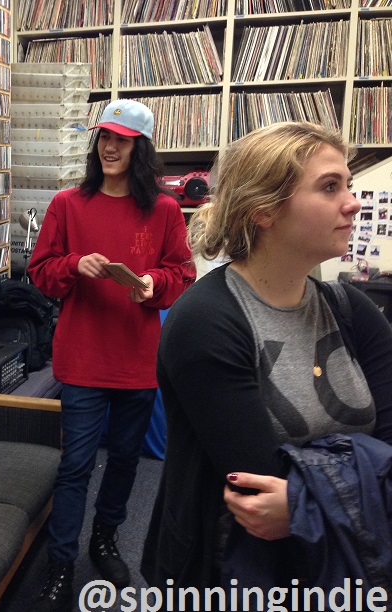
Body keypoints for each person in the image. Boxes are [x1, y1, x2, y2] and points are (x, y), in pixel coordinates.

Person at [142, 122, 392, 593]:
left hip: (349, 568)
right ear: (264, 210)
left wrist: (305, 500)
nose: (353, 202)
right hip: (229, 574)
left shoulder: (352, 310)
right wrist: (366, 471)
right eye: (330, 186)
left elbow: (289, 505)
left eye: (349, 185)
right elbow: (257, 492)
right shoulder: (207, 320)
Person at [26, 99, 196, 610]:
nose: (109, 145)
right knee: (75, 463)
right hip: (82, 358)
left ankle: (105, 538)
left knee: (124, 458)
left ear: (140, 148)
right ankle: (61, 559)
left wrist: (151, 282)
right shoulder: (66, 204)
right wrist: (75, 265)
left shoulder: (164, 210)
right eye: (104, 136)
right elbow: (41, 272)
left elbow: (183, 274)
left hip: (138, 361)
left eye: (121, 139)